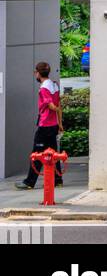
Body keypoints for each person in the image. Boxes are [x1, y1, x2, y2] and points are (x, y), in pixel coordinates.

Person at [14, 62, 63, 191]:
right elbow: (59, 105)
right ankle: (57, 180)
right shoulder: (54, 85)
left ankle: (29, 182)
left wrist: (54, 108)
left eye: (35, 72)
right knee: (53, 153)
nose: (35, 74)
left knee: (36, 153)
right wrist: (60, 123)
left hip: (45, 125)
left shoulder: (44, 88)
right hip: (53, 125)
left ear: (39, 73)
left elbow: (52, 105)